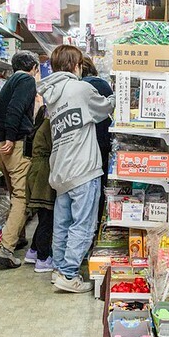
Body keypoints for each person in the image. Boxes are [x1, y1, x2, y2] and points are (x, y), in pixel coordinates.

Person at [38, 45, 115, 293]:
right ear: (76, 65)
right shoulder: (81, 88)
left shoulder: (52, 93)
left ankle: (59, 270)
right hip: (83, 168)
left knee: (62, 224)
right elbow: (105, 109)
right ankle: (69, 274)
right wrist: (120, 94)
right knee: (83, 224)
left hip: (61, 169)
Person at [0, 50, 40, 268]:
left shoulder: (10, 82)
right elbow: (16, 109)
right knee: (22, 196)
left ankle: (18, 237)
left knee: (14, 193)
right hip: (14, 145)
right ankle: (6, 249)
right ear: (34, 68)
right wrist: (11, 137)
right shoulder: (27, 80)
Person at [23, 95, 56, 273]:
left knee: (43, 216)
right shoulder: (49, 125)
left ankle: (34, 251)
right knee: (47, 218)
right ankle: (43, 259)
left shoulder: (40, 125)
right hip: (44, 174)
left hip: (37, 172)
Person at [80, 56, 114, 225]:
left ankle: (86, 220)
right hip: (102, 138)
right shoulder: (102, 84)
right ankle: (99, 220)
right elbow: (111, 108)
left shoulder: (75, 86)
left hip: (81, 143)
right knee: (100, 180)